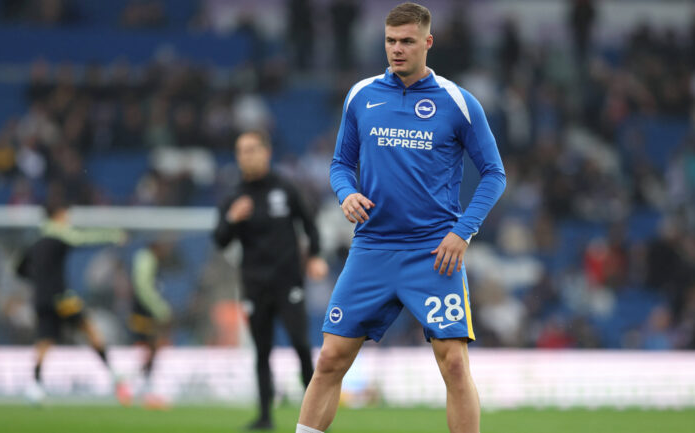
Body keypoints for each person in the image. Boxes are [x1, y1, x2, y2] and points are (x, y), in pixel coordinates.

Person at [295, 3, 506, 433]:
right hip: (372, 248)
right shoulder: (361, 95)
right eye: (390, 41)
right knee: (331, 358)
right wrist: (346, 192)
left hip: (434, 253)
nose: (396, 49)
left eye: (407, 41)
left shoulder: (457, 103)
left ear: (428, 42)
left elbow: (494, 175)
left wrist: (462, 232)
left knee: (454, 364)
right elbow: (339, 163)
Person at [214, 130, 328, 430]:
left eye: (251, 149)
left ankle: (313, 417)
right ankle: (265, 416)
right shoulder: (233, 196)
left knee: (301, 345)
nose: (246, 156)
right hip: (254, 284)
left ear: (266, 152)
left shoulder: (285, 188)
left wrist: (315, 256)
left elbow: (309, 223)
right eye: (240, 151)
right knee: (261, 350)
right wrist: (231, 219)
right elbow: (220, 240)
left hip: (288, 281)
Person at [16, 200, 130, 405]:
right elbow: (82, 239)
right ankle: (113, 373)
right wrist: (114, 236)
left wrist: (40, 279)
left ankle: (35, 385)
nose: (68, 219)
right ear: (58, 215)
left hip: (41, 298)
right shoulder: (59, 236)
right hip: (61, 298)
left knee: (45, 341)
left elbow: (20, 270)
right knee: (89, 329)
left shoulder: (34, 243)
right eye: (65, 215)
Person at [128, 238, 174, 409]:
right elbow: (143, 287)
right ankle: (139, 389)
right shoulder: (147, 259)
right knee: (150, 348)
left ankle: (142, 388)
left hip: (143, 311)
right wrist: (160, 309)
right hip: (144, 312)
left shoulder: (146, 259)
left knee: (151, 349)